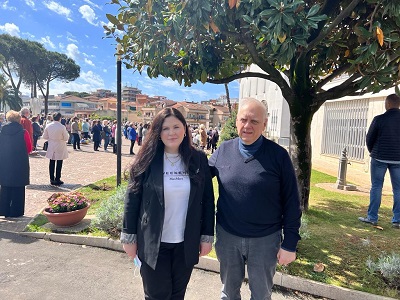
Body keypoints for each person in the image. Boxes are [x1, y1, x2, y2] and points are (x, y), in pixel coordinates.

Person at [208, 97, 301, 300]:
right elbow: (200, 178)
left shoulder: (279, 156)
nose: (247, 126)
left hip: (265, 240)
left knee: (261, 295)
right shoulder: (224, 150)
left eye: (254, 121)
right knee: (228, 293)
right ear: (236, 122)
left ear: (265, 124)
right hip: (228, 237)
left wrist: (290, 243)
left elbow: (292, 201)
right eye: (243, 120)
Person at [120, 107, 215, 300]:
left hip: (185, 244)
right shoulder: (147, 159)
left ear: (185, 128)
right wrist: (129, 237)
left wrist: (206, 236)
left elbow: (207, 200)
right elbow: (132, 199)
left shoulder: (198, 159)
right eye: (165, 128)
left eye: (176, 127)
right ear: (158, 132)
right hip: (154, 243)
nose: (171, 132)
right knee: (156, 295)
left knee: (177, 295)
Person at [359, 94, 400, 228]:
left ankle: (372, 217)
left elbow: (369, 138)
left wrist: (373, 151)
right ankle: (397, 220)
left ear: (387, 104)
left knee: (376, 187)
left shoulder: (379, 119)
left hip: (379, 158)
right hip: (398, 160)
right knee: (398, 189)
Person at [0, 110, 32, 217]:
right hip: (19, 162)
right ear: (19, 120)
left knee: (5, 187)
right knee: (18, 187)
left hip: (4, 162)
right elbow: (29, 148)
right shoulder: (23, 132)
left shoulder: (1, 132)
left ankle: (4, 210)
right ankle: (16, 211)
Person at [42, 112, 69, 186]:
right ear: (60, 118)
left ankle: (51, 178)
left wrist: (51, 138)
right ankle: (57, 178)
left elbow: (44, 136)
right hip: (60, 144)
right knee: (59, 162)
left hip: (51, 144)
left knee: (52, 162)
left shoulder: (48, 126)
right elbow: (66, 138)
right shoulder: (62, 127)